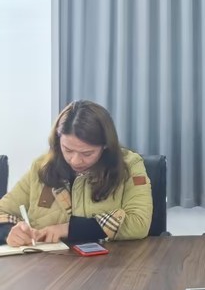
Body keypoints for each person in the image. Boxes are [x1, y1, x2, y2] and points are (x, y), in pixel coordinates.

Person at [0, 100, 153, 246]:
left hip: (111, 261)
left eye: (87, 153)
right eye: (68, 150)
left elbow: (139, 222)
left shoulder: (129, 165)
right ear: (58, 140)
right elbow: (3, 211)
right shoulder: (41, 167)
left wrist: (68, 229)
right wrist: (9, 232)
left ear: (106, 145)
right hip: (47, 262)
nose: (75, 161)